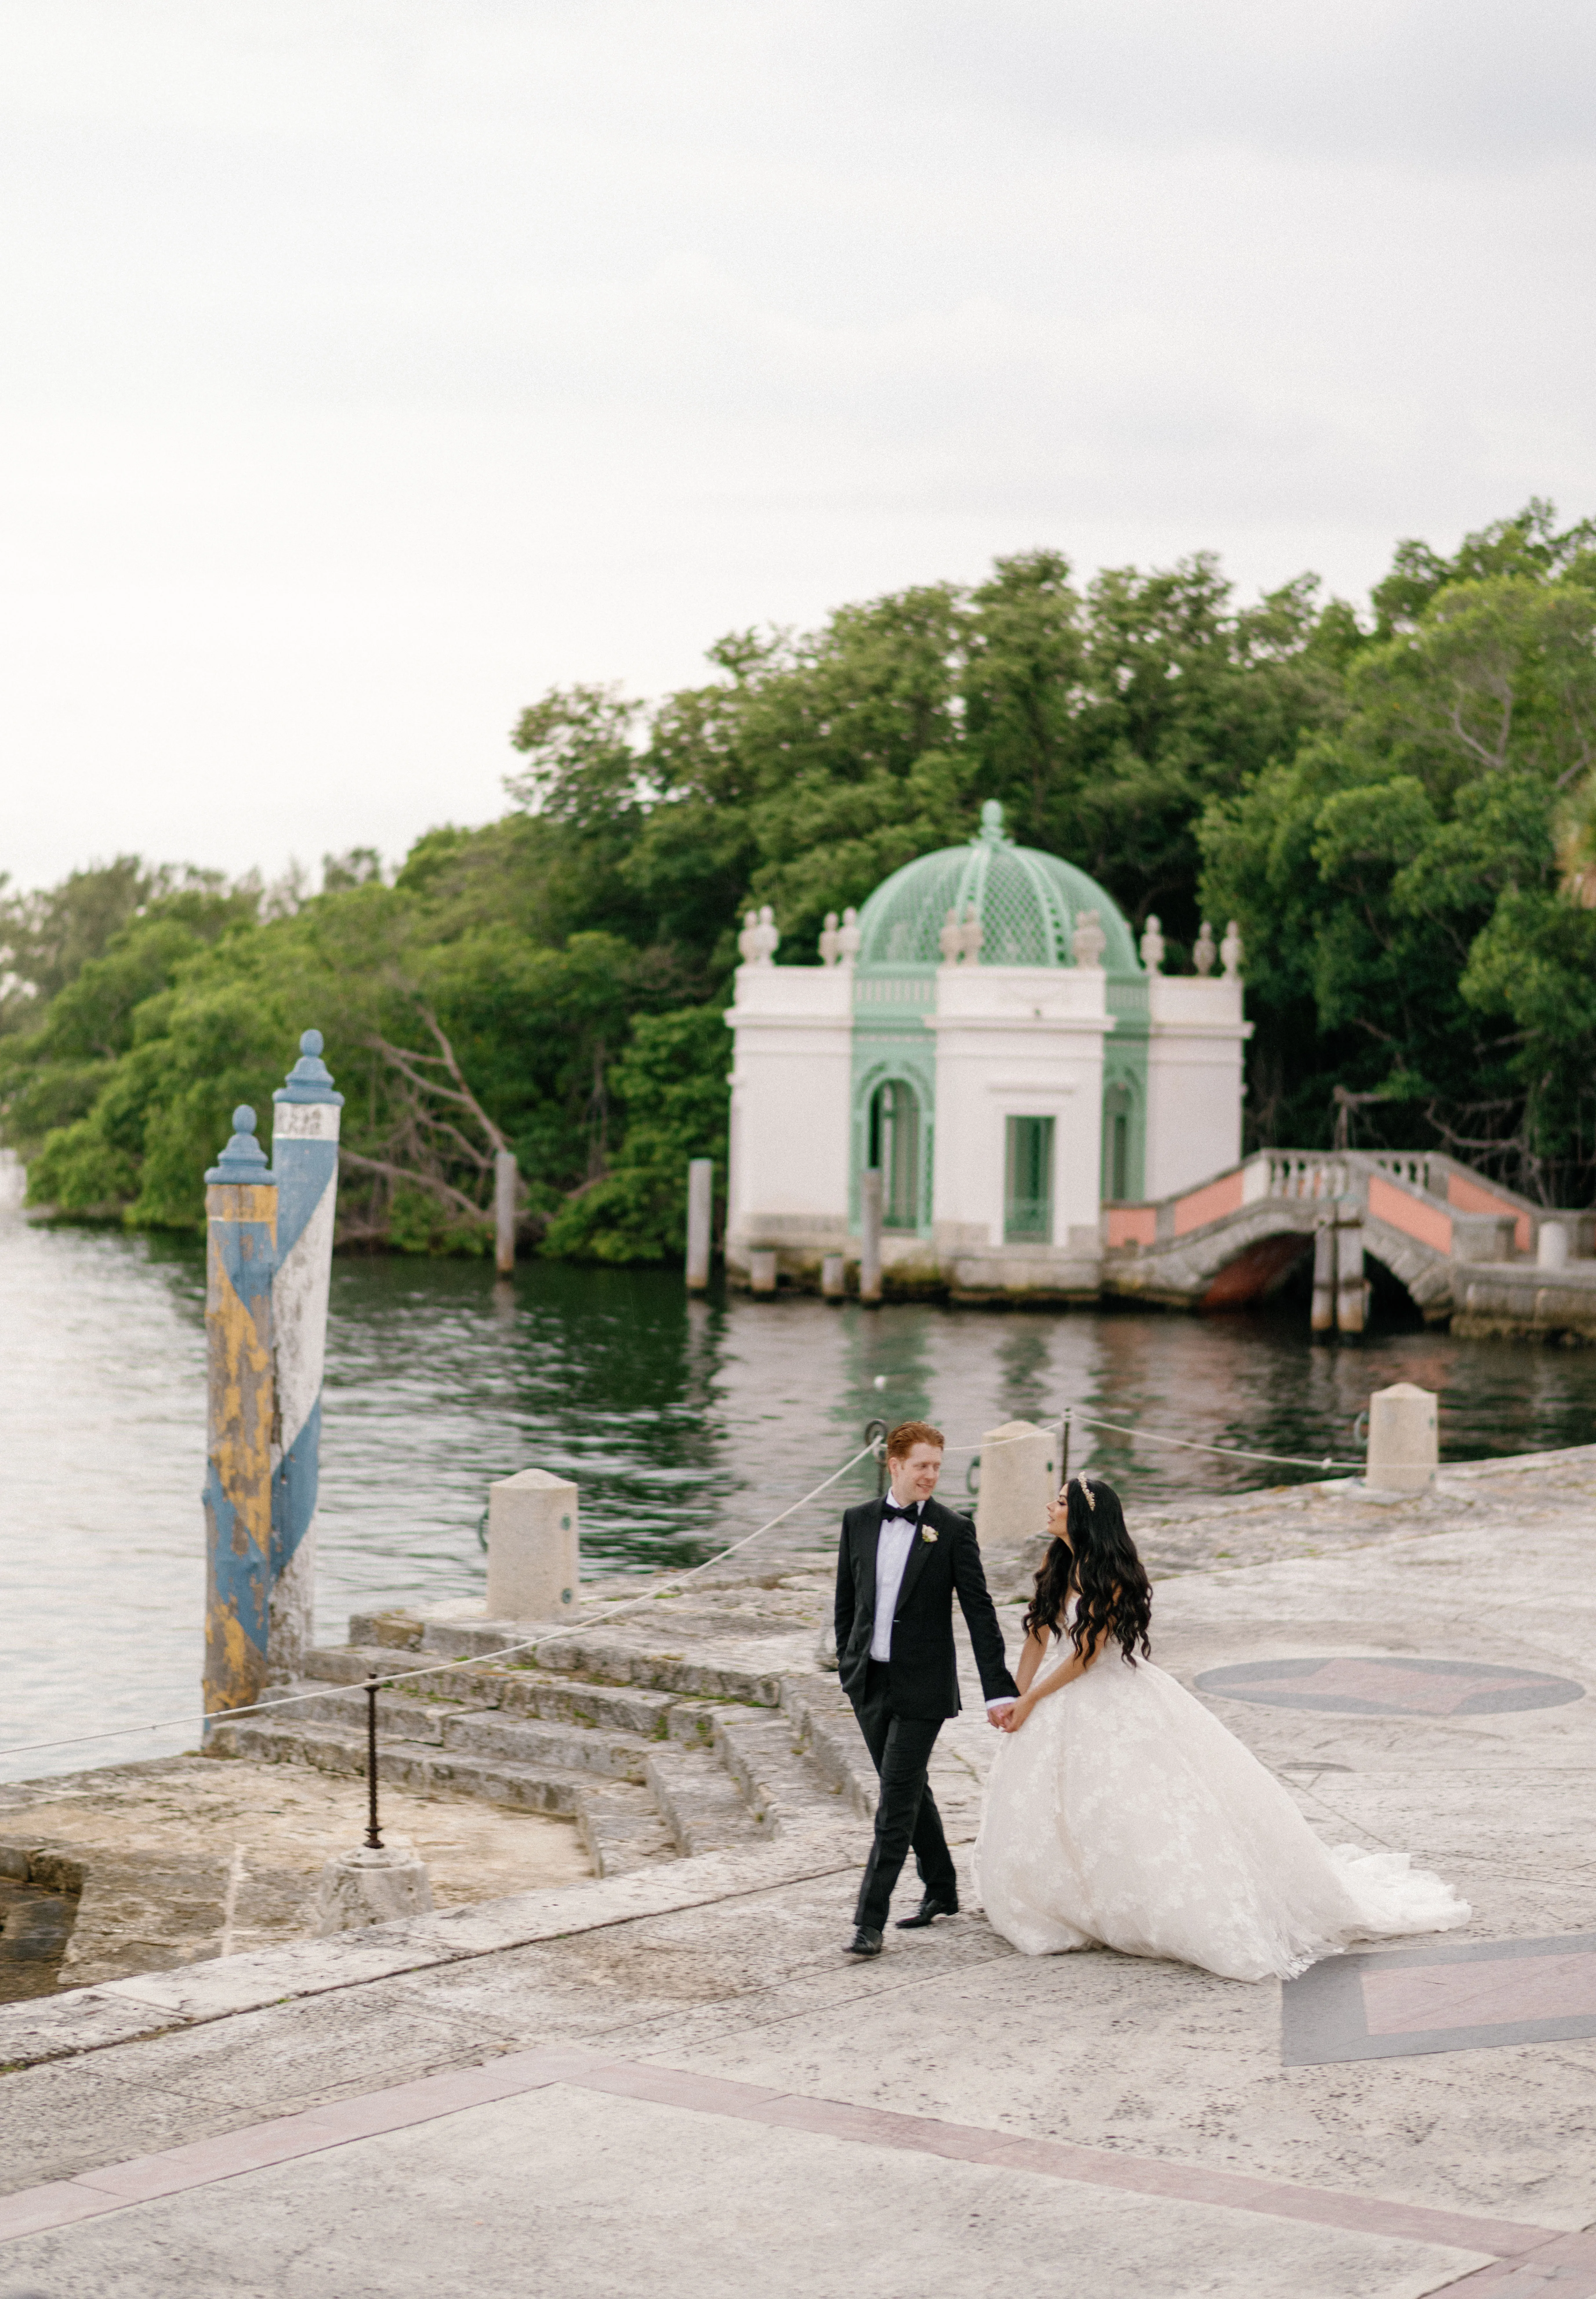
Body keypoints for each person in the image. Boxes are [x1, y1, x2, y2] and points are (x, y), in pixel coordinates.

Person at [974, 1473, 1469, 1981]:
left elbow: (1085, 1654)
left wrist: (1034, 1699)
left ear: (1083, 1515)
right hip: (1052, 1698)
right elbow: (1038, 1633)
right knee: (1056, 1802)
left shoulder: (1110, 1574)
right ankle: (1064, 1901)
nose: (1049, 1507)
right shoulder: (1056, 1562)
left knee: (1133, 1804)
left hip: (1104, 1693)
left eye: (1059, 1502)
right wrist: (1016, 1695)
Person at [834, 1419, 1019, 1957]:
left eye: (938, 1466)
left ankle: (870, 1920)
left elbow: (980, 1614)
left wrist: (998, 1689)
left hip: (923, 1690)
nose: (931, 1476)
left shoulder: (953, 1530)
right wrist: (849, 1667)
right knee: (910, 1790)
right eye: (922, 1466)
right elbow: (848, 1603)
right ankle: (942, 1886)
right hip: (869, 1681)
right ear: (894, 1465)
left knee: (894, 1802)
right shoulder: (858, 1521)